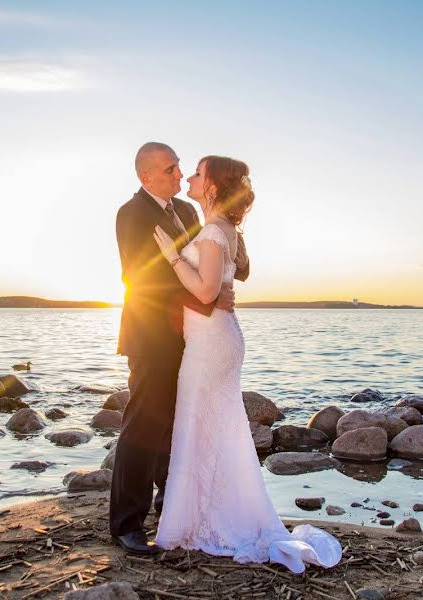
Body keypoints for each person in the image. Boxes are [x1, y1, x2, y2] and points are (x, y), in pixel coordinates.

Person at [152, 155, 342, 573]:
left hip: (212, 342)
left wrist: (171, 256)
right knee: (214, 428)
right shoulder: (222, 230)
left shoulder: (214, 231)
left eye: (198, 174)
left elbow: (204, 293)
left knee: (202, 426)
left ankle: (208, 521)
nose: (190, 178)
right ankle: (209, 515)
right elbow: (220, 287)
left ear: (214, 187)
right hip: (218, 337)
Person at [110, 142, 250, 554]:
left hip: (194, 337)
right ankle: (125, 523)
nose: (178, 175)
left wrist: (227, 266)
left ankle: (172, 507)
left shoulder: (190, 213)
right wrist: (206, 298)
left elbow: (215, 262)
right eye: (170, 169)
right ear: (145, 176)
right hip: (151, 335)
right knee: (142, 424)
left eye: (180, 169)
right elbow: (139, 277)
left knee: (179, 424)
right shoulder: (131, 214)